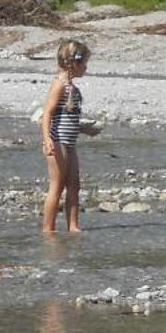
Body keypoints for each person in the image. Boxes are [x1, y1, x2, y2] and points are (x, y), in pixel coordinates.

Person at [38, 39, 94, 234]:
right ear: (75, 64)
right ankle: (48, 229)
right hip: (58, 141)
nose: (86, 68)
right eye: (85, 63)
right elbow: (47, 113)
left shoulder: (73, 88)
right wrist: (46, 139)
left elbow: (68, 118)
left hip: (70, 142)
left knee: (74, 185)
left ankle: (73, 226)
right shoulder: (59, 85)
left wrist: (85, 129)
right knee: (57, 186)